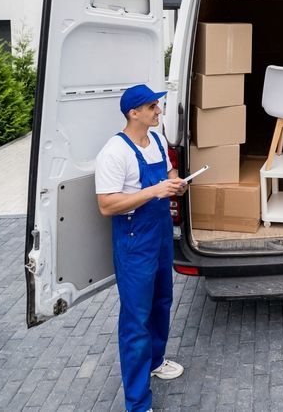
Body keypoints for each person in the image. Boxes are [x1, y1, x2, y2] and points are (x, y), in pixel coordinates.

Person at [95, 84, 187, 412]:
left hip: (160, 232)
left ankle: (156, 361)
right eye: (152, 107)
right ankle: (137, 403)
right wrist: (155, 191)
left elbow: (169, 171)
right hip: (135, 239)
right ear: (134, 113)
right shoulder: (114, 152)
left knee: (163, 300)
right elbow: (107, 205)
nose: (159, 111)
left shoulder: (158, 140)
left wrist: (175, 182)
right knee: (136, 319)